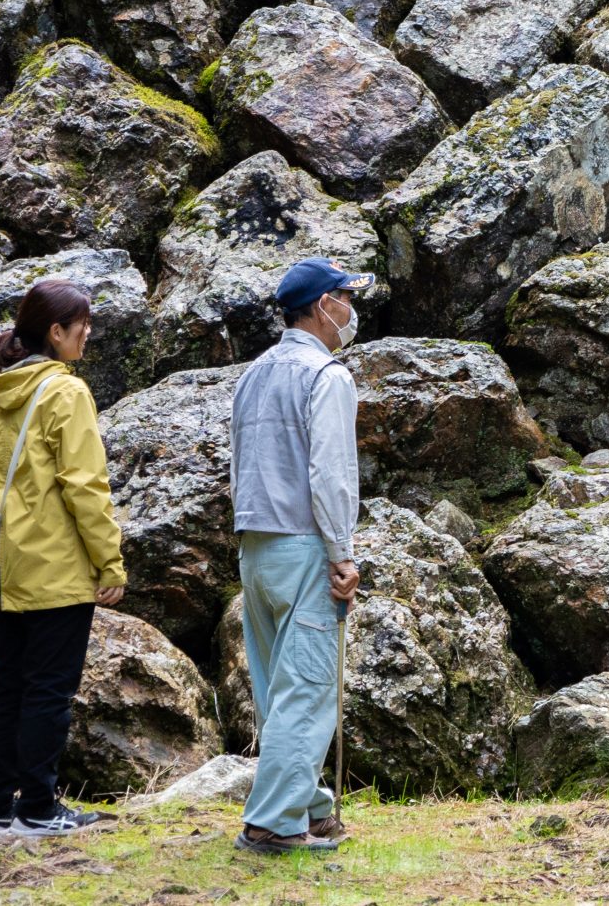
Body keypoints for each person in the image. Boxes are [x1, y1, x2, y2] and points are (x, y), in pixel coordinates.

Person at [0, 278, 125, 841]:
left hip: (7, 571)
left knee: (7, 687)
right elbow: (85, 485)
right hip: (57, 569)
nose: (88, 333)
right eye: (82, 324)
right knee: (48, 692)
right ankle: (38, 808)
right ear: (55, 331)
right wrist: (110, 563)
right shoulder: (65, 392)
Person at [229, 257, 370, 855]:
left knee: (275, 690)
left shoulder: (253, 374)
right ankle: (272, 825)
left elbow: (237, 464)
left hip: (256, 548)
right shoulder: (327, 375)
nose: (350, 307)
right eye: (343, 296)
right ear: (320, 307)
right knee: (309, 690)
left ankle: (311, 808)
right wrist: (342, 552)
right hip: (306, 546)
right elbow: (331, 473)